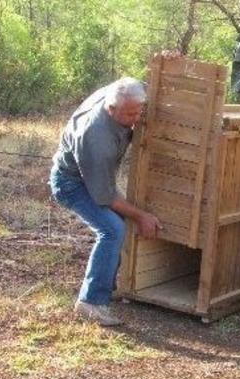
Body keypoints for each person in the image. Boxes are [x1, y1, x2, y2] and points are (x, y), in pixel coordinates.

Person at [49, 77, 162, 326]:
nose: (137, 118)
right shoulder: (95, 138)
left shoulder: (125, 91)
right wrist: (142, 216)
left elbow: (147, 84)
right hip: (71, 183)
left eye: (139, 111)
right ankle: (90, 302)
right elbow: (105, 196)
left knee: (118, 224)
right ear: (111, 109)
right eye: (130, 114)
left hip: (93, 178)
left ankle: (108, 286)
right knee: (112, 229)